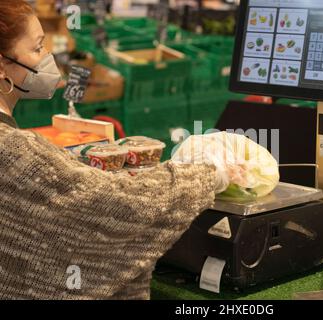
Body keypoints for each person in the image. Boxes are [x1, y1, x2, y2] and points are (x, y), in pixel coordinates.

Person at [0, 0, 232, 300]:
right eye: (37, 48)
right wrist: (209, 174)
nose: (47, 57)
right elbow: (110, 203)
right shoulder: (13, 150)